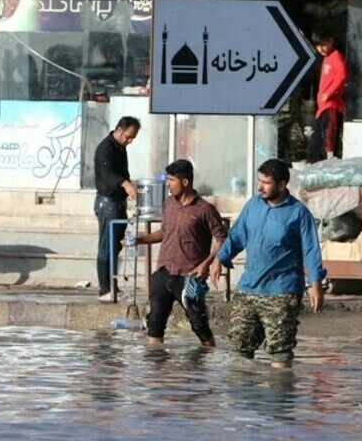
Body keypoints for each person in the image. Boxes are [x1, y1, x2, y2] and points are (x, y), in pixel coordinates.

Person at [210, 159, 325, 368]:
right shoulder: (253, 205)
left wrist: (315, 284)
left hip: (282, 292)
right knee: (238, 348)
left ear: (282, 185)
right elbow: (236, 236)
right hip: (249, 288)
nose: (260, 187)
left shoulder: (299, 213)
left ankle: (280, 397)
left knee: (279, 351)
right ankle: (244, 398)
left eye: (266, 182)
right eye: (259, 181)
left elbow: (311, 250)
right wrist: (219, 258)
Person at [133, 159, 226, 347]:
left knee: (199, 325)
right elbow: (165, 232)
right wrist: (140, 239)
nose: (168, 184)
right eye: (167, 180)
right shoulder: (169, 204)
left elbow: (223, 240)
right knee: (155, 323)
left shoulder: (205, 210)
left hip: (189, 277)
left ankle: (207, 362)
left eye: (171, 180)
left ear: (185, 182)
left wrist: (206, 263)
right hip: (164, 271)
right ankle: (155, 368)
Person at [94, 115, 141, 302]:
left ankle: (112, 285)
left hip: (118, 202)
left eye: (133, 138)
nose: (129, 141)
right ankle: (104, 289)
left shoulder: (121, 149)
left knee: (115, 247)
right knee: (106, 246)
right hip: (107, 203)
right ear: (119, 130)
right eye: (128, 136)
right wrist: (125, 184)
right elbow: (108, 175)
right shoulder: (105, 149)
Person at [308, 30, 347, 162]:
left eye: (323, 44)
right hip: (323, 106)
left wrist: (328, 93)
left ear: (331, 41)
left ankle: (329, 159)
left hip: (331, 105)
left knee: (329, 136)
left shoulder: (336, 56)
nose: (321, 49)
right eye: (318, 46)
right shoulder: (326, 58)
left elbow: (341, 76)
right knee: (317, 138)